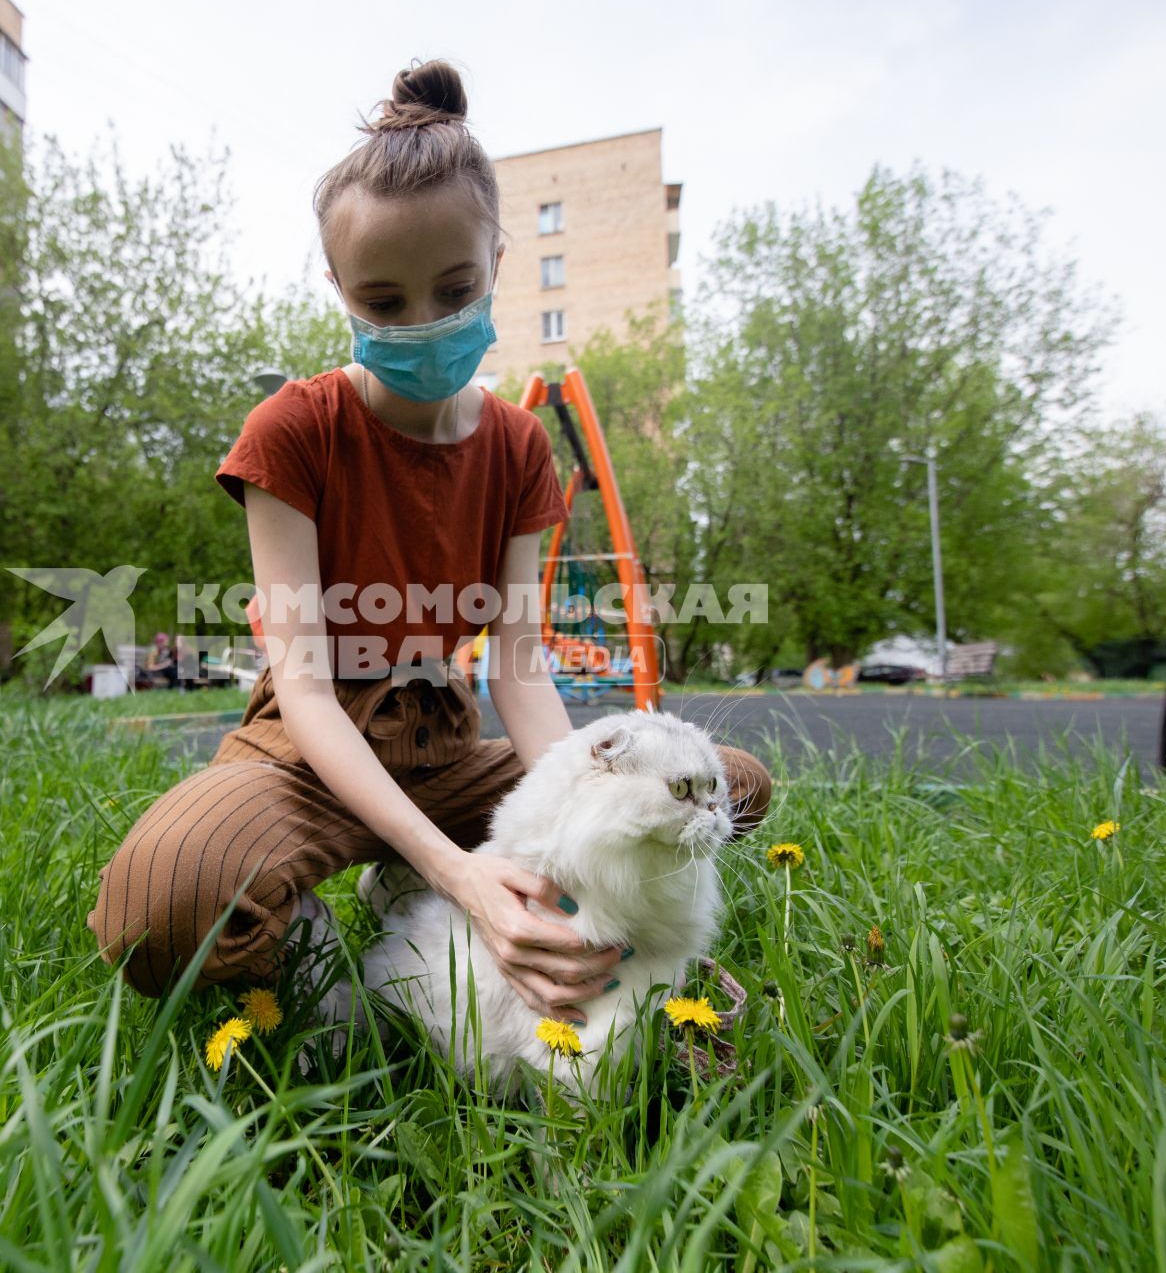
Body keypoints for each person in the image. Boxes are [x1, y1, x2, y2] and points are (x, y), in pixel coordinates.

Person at [88, 61, 772, 1026]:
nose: (423, 323)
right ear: (339, 290)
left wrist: (572, 814)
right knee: (166, 903)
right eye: (384, 302)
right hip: (306, 752)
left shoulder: (520, 447)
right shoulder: (295, 430)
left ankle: (419, 889)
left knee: (722, 788)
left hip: (445, 746)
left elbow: (522, 671)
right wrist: (461, 874)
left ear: (496, 263)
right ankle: (360, 908)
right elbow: (309, 687)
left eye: (452, 288)